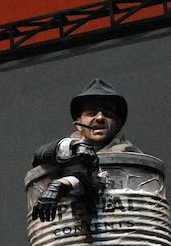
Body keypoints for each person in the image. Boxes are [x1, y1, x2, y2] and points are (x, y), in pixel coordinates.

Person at [30, 78, 141, 222]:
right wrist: (74, 147)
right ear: (78, 123)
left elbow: (95, 177)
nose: (100, 118)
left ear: (118, 124)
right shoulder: (67, 150)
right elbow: (38, 157)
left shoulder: (131, 158)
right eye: (92, 112)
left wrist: (63, 183)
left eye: (108, 113)